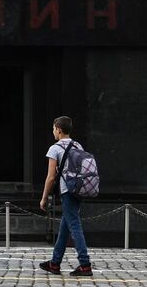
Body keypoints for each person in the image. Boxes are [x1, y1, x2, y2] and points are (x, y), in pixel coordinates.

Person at [37, 115, 92, 278]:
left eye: (54, 128)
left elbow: (51, 177)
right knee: (65, 227)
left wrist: (44, 198)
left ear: (59, 130)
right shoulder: (78, 145)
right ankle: (55, 263)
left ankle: (85, 264)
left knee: (74, 225)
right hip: (78, 190)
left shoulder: (55, 149)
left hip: (66, 191)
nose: (53, 131)